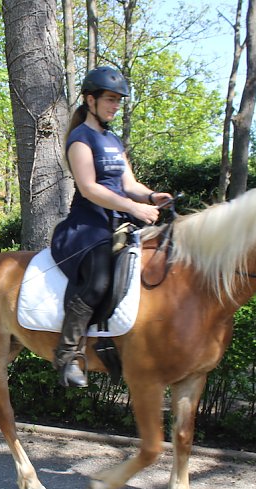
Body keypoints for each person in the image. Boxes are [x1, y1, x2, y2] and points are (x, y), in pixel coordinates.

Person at [50, 66, 172, 388]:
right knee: (100, 279)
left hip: (117, 224)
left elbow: (127, 182)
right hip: (85, 228)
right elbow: (89, 187)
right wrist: (134, 207)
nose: (115, 106)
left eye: (119, 101)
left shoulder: (113, 139)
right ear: (90, 99)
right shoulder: (80, 138)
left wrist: (150, 196)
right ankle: (68, 354)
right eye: (110, 99)